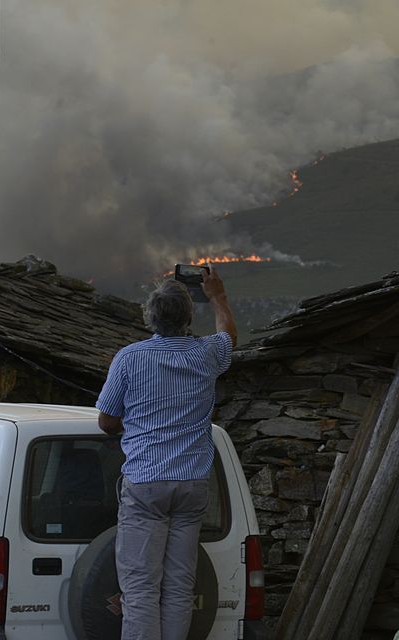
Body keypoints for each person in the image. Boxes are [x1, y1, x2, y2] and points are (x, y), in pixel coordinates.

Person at [96, 267, 237, 640]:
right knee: (178, 585)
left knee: (141, 587)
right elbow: (229, 336)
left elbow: (107, 422)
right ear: (189, 317)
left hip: (145, 483)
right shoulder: (207, 354)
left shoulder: (129, 359)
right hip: (192, 484)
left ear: (150, 317)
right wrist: (217, 296)